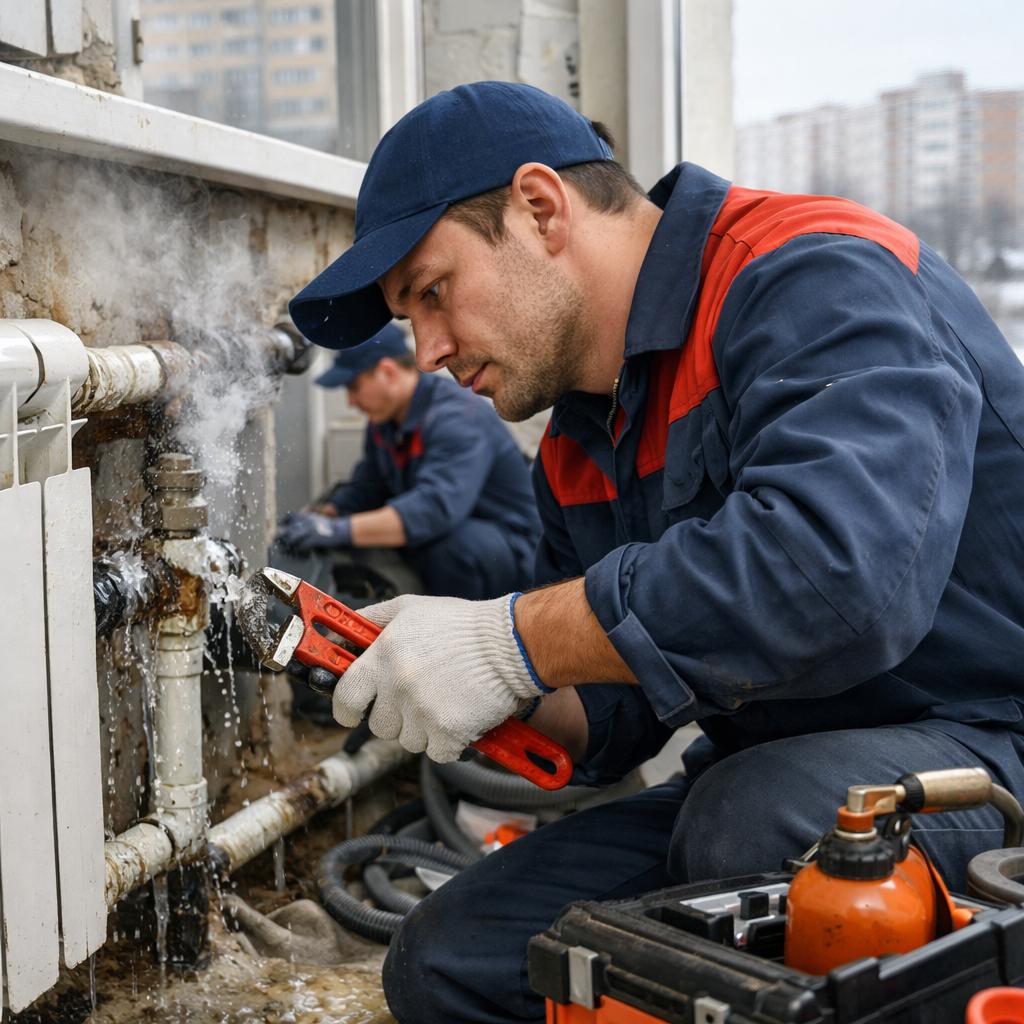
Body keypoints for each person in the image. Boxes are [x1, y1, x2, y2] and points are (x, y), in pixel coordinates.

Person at [289, 81, 1024, 1024]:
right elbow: (611, 711)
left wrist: (511, 638)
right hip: (774, 779)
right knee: (449, 960)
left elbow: (835, 575)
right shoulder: (573, 446)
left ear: (541, 208)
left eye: (433, 293)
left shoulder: (812, 273)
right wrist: (449, 682)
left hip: (988, 743)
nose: (427, 348)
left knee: (751, 825)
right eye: (408, 319)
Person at [276, 321, 541, 601]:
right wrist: (328, 513)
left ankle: (461, 630)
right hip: (455, 532)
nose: (351, 401)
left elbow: (434, 510)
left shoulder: (458, 419)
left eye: (354, 386)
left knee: (450, 548)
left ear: (388, 371)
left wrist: (337, 530)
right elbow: (370, 483)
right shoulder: (386, 420)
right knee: (377, 532)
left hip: (512, 548)